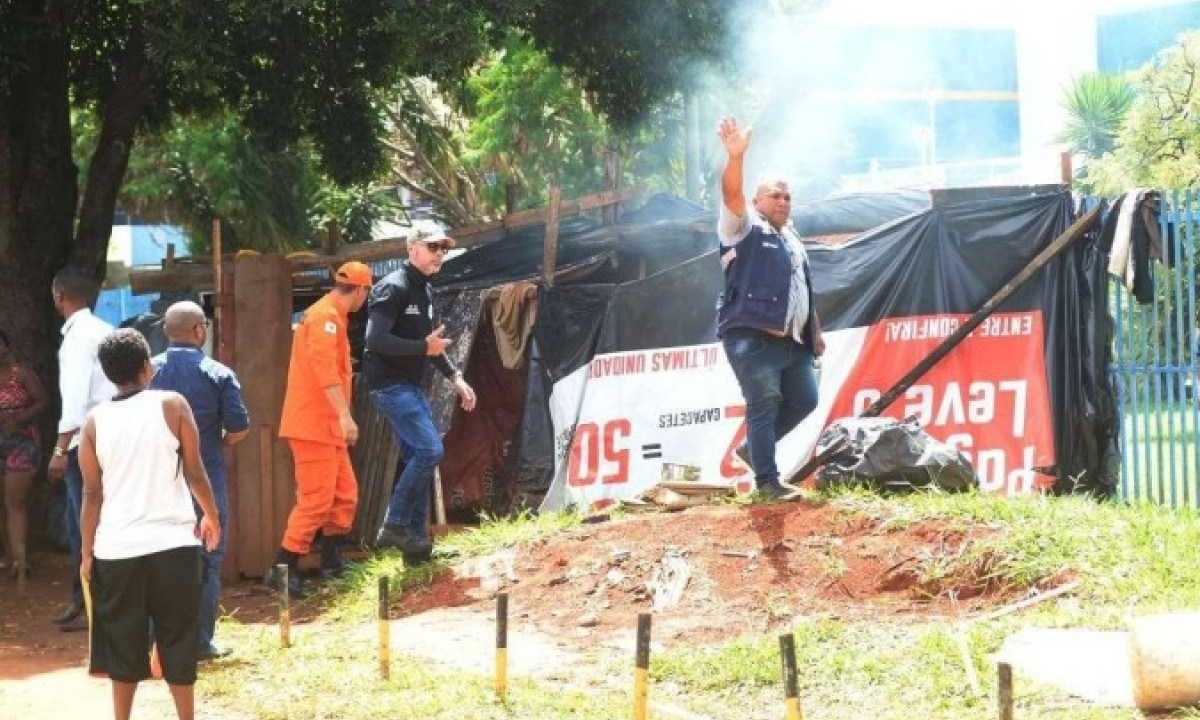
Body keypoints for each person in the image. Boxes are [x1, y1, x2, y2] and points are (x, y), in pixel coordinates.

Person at [78, 328, 221, 720]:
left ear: (108, 374)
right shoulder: (173, 405)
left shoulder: (93, 422)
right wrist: (212, 515)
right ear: (147, 367)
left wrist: (86, 552)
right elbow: (195, 472)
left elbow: (92, 494)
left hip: (116, 548)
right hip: (173, 542)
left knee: (123, 641)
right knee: (178, 634)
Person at [715, 117, 826, 500]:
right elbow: (731, 194)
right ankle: (767, 482)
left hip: (794, 340)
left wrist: (815, 329)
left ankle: (752, 451)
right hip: (753, 336)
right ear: (757, 201)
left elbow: (801, 287)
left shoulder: (792, 238)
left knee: (806, 399)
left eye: (787, 196)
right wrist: (736, 157)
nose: (782, 201)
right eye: (774, 196)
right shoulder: (742, 227)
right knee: (763, 403)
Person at [364, 233, 476, 560]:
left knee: (419, 459)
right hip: (390, 385)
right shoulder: (393, 287)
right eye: (432, 247)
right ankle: (394, 523)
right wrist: (422, 348)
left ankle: (416, 548)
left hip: (411, 385)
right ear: (411, 248)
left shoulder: (425, 289)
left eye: (443, 249)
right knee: (429, 451)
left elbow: (430, 345)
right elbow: (375, 340)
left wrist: (455, 377)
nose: (439, 254)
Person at [264, 262, 372, 598]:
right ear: (362, 291)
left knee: (344, 495)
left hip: (326, 427)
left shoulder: (331, 317)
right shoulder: (324, 318)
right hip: (314, 425)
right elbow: (325, 371)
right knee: (316, 500)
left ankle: (331, 563)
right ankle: (282, 569)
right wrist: (344, 415)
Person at [150, 301, 250, 661]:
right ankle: (201, 643)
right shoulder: (218, 374)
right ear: (199, 331)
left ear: (166, 331)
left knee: (158, 553)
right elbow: (239, 428)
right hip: (205, 475)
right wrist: (215, 441)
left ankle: (156, 643)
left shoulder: (149, 372)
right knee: (207, 555)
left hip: (158, 479)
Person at [48, 266, 117, 630]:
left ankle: (89, 603)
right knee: (105, 521)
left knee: (84, 525)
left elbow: (74, 401)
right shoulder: (105, 331)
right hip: (112, 437)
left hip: (83, 443)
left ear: (59, 295)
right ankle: (96, 601)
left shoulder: (77, 339)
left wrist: (60, 449)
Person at [0, 328, 48, 582]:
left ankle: (20, 561)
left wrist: (19, 418)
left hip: (22, 443)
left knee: (15, 503)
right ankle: (9, 558)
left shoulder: (22, 374)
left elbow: (42, 401)